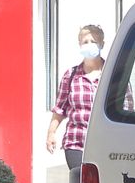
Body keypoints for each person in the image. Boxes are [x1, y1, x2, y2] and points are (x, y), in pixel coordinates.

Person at [46, 25, 107, 172]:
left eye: (93, 41)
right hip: (76, 142)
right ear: (80, 45)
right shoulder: (71, 75)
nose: (89, 45)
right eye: (85, 42)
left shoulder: (113, 75)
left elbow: (126, 108)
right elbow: (60, 108)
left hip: (105, 145)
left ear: (102, 44)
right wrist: (51, 133)